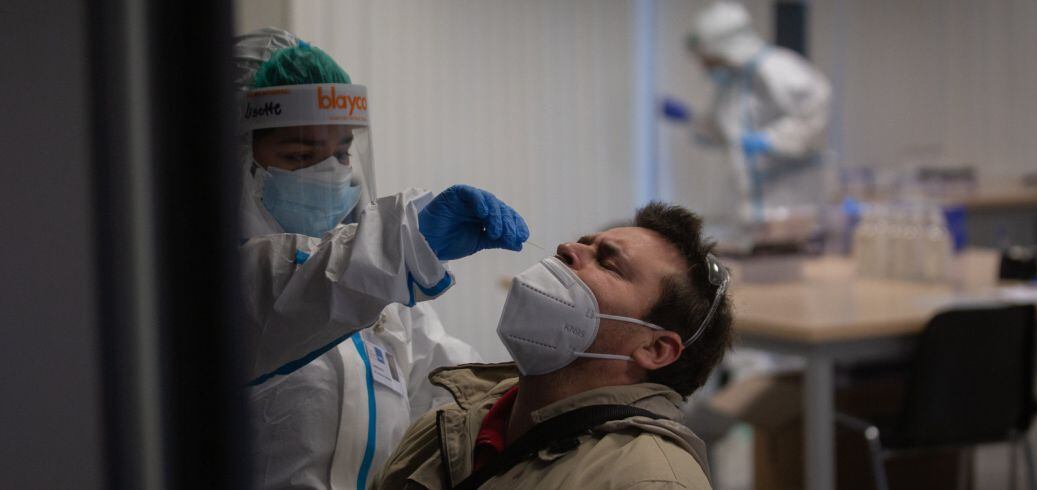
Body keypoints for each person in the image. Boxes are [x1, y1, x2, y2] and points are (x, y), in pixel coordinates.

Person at [234, 28, 529, 489]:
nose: (331, 173)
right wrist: (400, 243)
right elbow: (286, 294)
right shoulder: (202, 279)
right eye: (301, 154)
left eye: (342, 153)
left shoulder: (381, 293)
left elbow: (449, 395)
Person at [375, 202, 734, 489]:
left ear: (655, 349)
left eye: (607, 263)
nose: (567, 248)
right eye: (583, 242)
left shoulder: (646, 480)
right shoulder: (451, 424)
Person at [663, 1, 831, 249]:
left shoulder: (780, 69)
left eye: (709, 59)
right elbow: (723, 132)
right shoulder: (733, 85)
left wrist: (771, 140)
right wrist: (689, 119)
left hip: (792, 209)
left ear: (726, 47)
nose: (705, 67)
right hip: (752, 217)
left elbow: (814, 117)